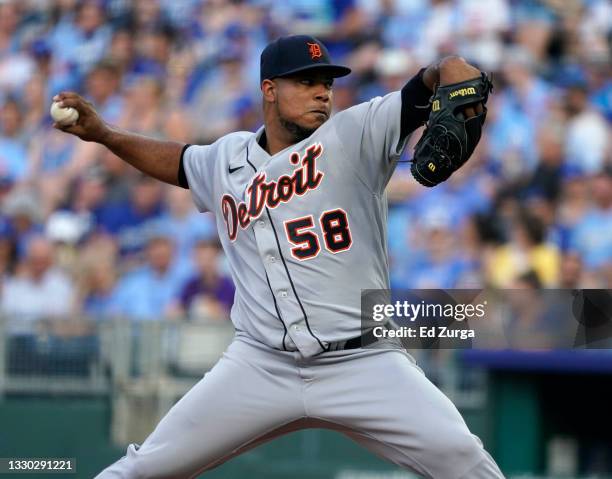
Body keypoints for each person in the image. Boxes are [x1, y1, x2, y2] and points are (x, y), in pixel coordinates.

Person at [54, 35, 503, 479]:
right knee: (142, 469)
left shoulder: (353, 134)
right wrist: (106, 134)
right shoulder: (226, 159)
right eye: (306, 81)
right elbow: (177, 161)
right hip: (260, 364)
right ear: (270, 89)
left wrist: (449, 70)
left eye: (326, 82)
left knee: (464, 460)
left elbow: (436, 78)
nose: (322, 91)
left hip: (363, 360)